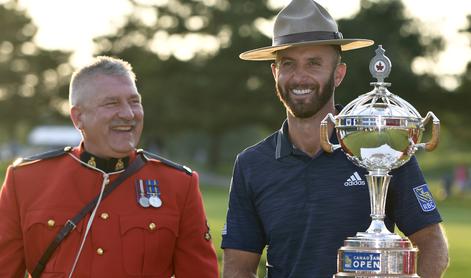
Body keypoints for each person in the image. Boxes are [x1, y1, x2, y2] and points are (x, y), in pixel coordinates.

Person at [221, 0, 449, 277]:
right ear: (274, 72)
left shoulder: (382, 145)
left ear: (338, 73)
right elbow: (238, 268)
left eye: (314, 63)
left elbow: (431, 243)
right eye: (288, 64)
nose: (299, 77)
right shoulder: (251, 164)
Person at [0, 56, 219, 277]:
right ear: (78, 118)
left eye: (134, 101)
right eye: (111, 103)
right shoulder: (26, 180)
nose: (128, 114)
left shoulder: (178, 185)